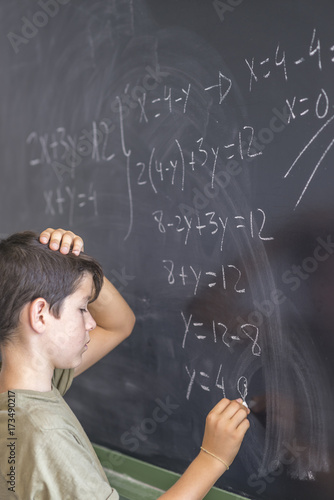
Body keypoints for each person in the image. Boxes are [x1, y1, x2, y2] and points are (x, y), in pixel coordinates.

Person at [0, 228, 250, 500]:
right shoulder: (45, 434)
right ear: (40, 314)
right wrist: (212, 460)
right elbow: (116, 325)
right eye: (82, 308)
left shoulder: (20, 396)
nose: (91, 322)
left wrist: (72, 260)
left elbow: (118, 324)